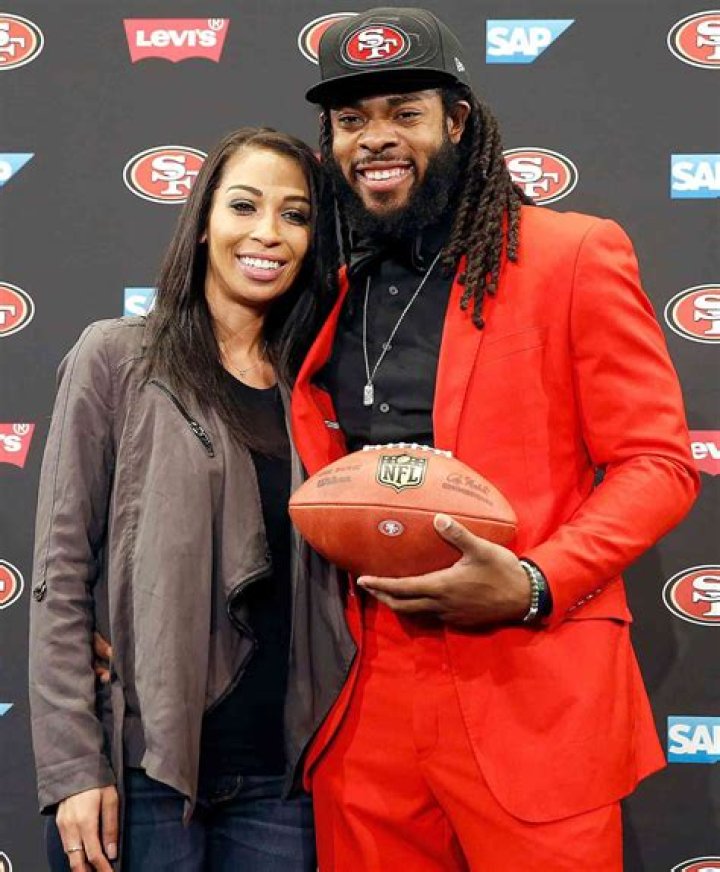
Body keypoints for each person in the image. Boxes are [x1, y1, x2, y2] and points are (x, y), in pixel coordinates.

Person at [283, 8, 700, 871]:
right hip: (362, 692)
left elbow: (658, 463)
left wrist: (536, 581)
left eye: (404, 112)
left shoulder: (572, 254)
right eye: (351, 120)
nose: (375, 138)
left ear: (458, 122)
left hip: (529, 676)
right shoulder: (327, 279)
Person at [28, 127, 338, 872]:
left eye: (295, 215)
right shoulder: (117, 357)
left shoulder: (317, 388)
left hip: (283, 785)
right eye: (244, 206)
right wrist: (74, 768)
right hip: (144, 773)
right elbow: (60, 571)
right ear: (203, 223)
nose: (268, 233)